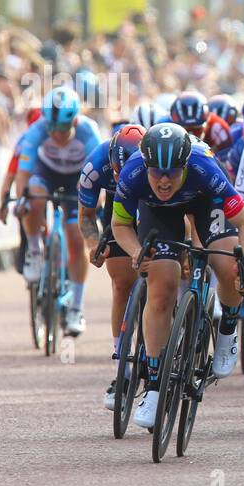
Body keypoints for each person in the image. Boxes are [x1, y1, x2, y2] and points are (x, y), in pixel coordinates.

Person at [112, 123, 244, 428]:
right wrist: (137, 252)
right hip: (158, 213)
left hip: (205, 202)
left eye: (172, 172)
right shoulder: (133, 172)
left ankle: (227, 327)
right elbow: (120, 225)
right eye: (157, 172)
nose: (164, 180)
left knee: (228, 266)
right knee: (162, 285)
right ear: (146, 166)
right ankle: (153, 386)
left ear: (184, 165)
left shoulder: (204, 167)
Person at [15, 87, 101, 336]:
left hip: (79, 178)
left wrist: (95, 203)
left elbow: (99, 175)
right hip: (47, 172)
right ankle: (34, 250)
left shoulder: (88, 131)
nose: (56, 135)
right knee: (34, 197)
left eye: (62, 129)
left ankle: (76, 307)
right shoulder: (37, 130)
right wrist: (22, 200)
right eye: (52, 128)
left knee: (76, 235)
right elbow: (23, 173)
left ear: (74, 121)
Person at [78, 123, 145, 409]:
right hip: (119, 215)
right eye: (117, 172)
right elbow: (85, 216)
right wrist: (94, 242)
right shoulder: (95, 164)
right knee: (121, 283)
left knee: (163, 280)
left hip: (155, 208)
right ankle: (123, 366)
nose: (121, 177)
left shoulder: (151, 161)